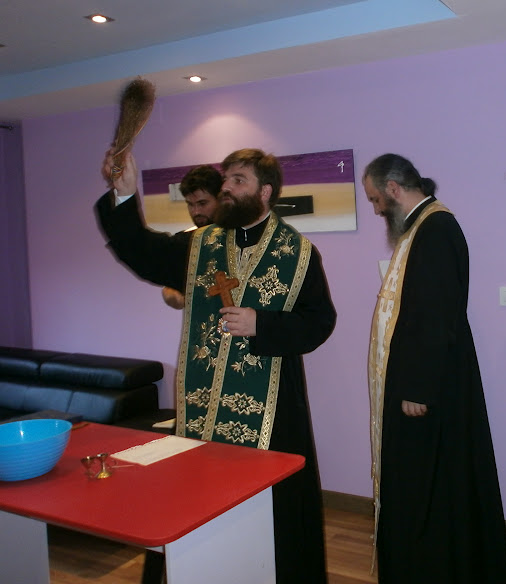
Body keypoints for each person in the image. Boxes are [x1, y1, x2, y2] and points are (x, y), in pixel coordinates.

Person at [95, 147, 336, 584]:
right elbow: (142, 252)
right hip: (202, 408)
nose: (226, 187)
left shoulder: (297, 252)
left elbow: (320, 322)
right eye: (226, 179)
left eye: (238, 180)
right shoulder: (201, 243)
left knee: (274, 516)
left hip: (271, 411)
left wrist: (262, 324)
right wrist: (126, 195)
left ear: (265, 192)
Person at [362, 153, 506, 583]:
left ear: (393, 189)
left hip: (429, 387)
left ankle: (435, 567)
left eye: (375, 199)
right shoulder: (421, 227)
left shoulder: (436, 228)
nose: (376, 209)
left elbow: (435, 313)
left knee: (433, 482)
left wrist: (417, 389)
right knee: (431, 483)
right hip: (428, 378)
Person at [161, 164, 222, 309]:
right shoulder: (187, 240)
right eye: (190, 204)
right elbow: (171, 286)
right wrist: (172, 293)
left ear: (220, 199)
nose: (196, 212)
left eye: (202, 203)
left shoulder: (243, 233)